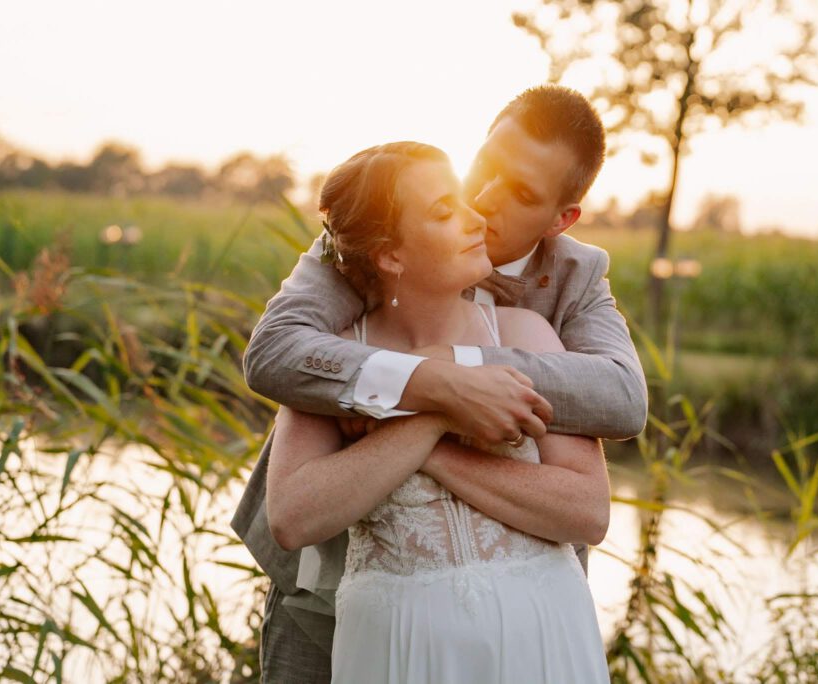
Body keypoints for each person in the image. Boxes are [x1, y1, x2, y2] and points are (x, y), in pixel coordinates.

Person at [230, 85, 648, 682]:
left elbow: (622, 399)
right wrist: (433, 386)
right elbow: (275, 351)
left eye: (522, 193)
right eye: (486, 168)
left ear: (561, 219)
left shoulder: (573, 280)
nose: (483, 199)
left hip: (523, 609)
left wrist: (459, 365)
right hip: (329, 588)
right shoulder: (367, 242)